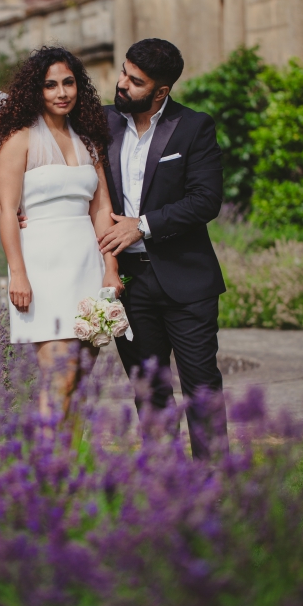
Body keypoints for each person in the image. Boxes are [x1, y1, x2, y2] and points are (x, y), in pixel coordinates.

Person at [97, 37, 228, 458]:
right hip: (128, 283)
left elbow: (205, 200)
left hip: (186, 280)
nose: (122, 84)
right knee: (148, 390)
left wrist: (144, 226)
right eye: (123, 72)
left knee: (201, 385)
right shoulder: (100, 124)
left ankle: (216, 484)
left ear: (161, 91)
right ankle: (166, 487)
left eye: (135, 81)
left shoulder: (194, 127)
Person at [0, 47, 122, 423]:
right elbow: (6, 211)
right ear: (36, 91)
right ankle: (49, 475)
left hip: (88, 267)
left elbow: (101, 209)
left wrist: (110, 269)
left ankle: (72, 472)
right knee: (58, 380)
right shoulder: (19, 140)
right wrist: (17, 273)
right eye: (51, 85)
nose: (62, 92)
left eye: (68, 82)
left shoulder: (89, 141)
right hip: (43, 271)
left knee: (81, 383)